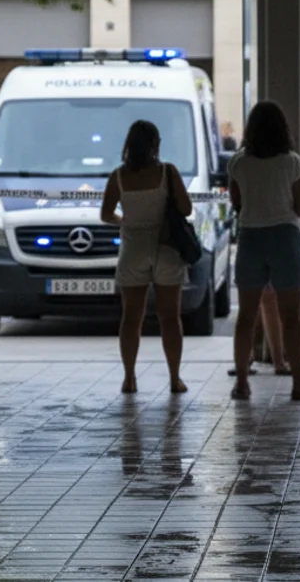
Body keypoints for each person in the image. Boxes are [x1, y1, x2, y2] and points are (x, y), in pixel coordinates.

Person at [226, 101, 300, 401]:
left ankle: (242, 383)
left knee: (246, 314)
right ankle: (297, 384)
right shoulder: (291, 162)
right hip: (285, 237)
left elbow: (237, 201)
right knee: (291, 315)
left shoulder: (239, 163)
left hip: (251, 238)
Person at [100, 120, 191, 395]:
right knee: (170, 318)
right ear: (155, 144)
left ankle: (129, 378)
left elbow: (105, 214)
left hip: (132, 251)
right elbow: (185, 209)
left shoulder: (119, 177)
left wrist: (125, 221)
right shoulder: (168, 172)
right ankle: (175, 379)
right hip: (166, 249)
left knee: (131, 317)